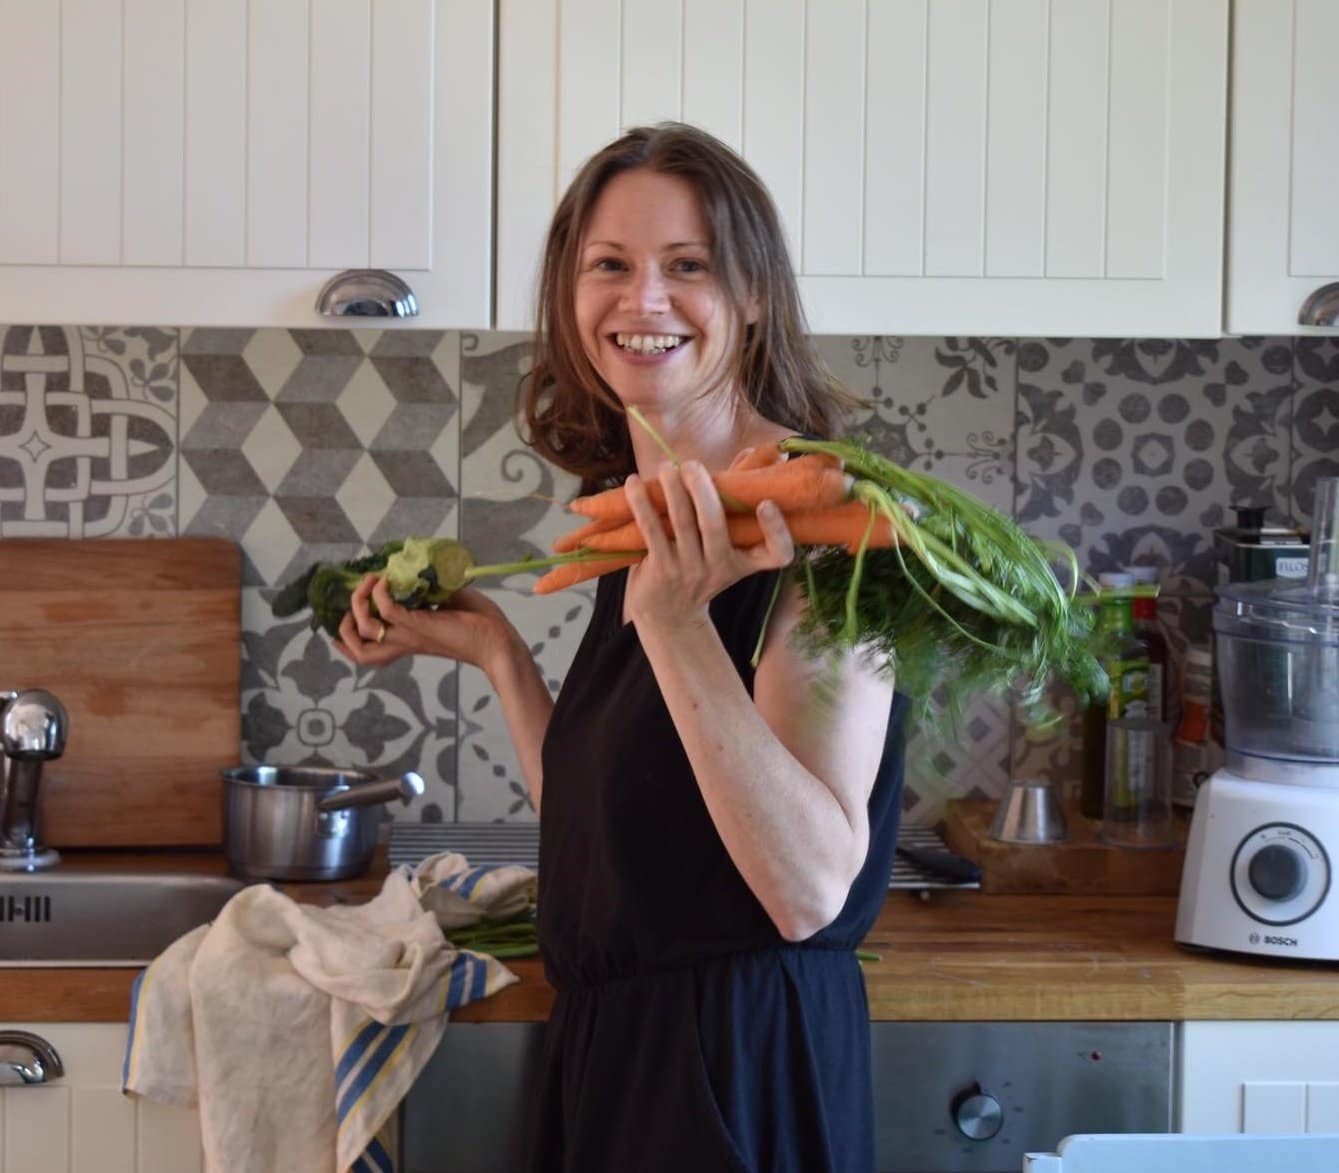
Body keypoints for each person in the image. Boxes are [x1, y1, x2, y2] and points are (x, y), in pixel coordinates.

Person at [334, 122, 909, 1173]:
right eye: (610, 266)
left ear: (752, 297)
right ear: (568, 295)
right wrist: (504, 659)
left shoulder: (824, 533)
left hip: (733, 1066)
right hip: (615, 1043)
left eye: (686, 266)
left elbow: (808, 886)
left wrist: (678, 629)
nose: (642, 301)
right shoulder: (646, 517)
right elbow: (626, 842)